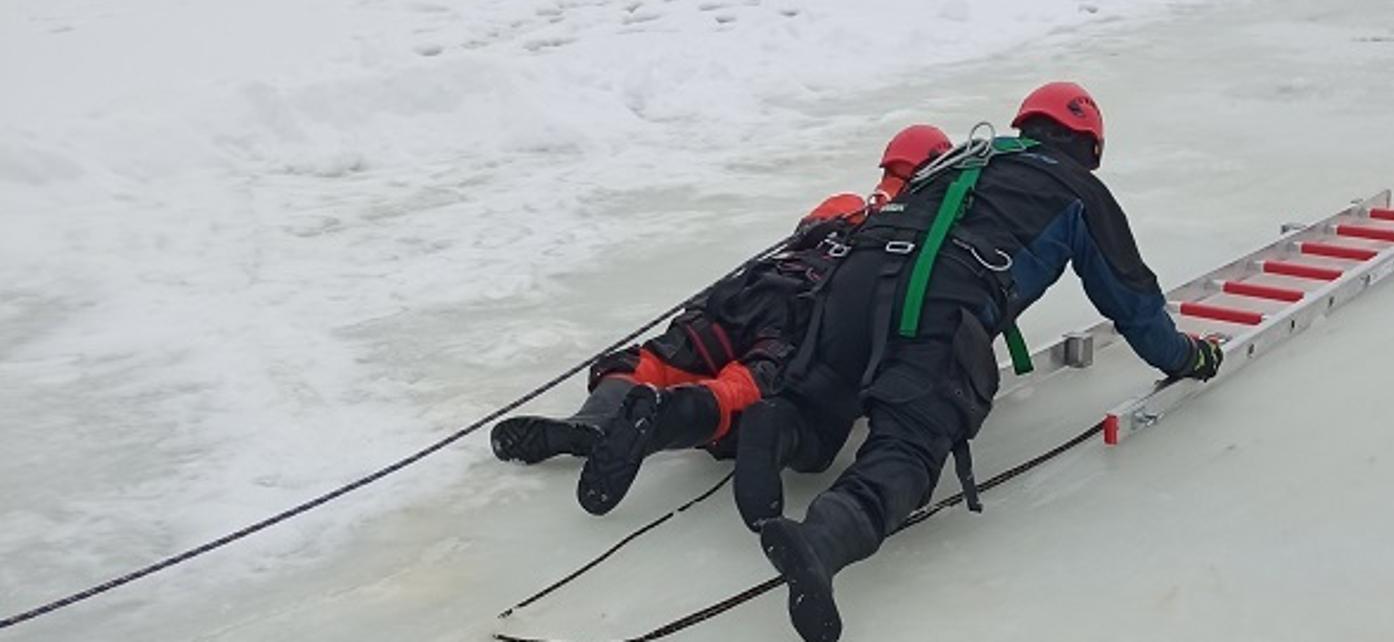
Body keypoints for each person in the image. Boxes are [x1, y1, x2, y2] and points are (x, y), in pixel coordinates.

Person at [737, 82, 1225, 642]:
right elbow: (1132, 301)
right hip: (945, 295)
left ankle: (776, 424)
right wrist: (1188, 356)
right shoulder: (1079, 191)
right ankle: (822, 540)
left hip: (857, 280)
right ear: (1090, 147)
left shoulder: (968, 156)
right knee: (911, 442)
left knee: (824, 394)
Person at [487, 124, 953, 517]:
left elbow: (802, 235)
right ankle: (662, 417)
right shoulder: (920, 231)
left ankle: (593, 420)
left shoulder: (843, 204)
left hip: (749, 293)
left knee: (657, 358)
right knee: (746, 385)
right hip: (808, 312)